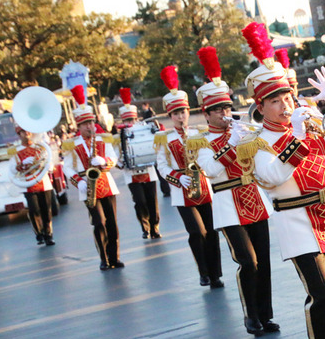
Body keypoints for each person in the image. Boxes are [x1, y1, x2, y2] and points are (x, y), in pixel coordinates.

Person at [239, 22, 325, 339]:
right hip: (297, 223)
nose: (284, 105)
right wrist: (293, 137)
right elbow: (270, 175)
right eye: (275, 101)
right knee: (323, 297)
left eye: (287, 98)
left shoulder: (308, 121)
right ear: (259, 106)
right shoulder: (255, 141)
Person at [190, 46, 277, 335]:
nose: (225, 114)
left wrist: (251, 137)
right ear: (207, 113)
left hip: (254, 198)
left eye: (227, 108)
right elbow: (212, 171)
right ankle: (250, 315)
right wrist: (231, 143)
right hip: (228, 204)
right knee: (248, 261)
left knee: (263, 262)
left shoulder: (244, 131)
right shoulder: (200, 140)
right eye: (218, 110)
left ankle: (265, 315)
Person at [154, 65, 223, 288]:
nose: (181, 116)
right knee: (196, 232)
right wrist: (176, 178)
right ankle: (203, 272)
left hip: (204, 185)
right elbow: (162, 166)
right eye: (176, 113)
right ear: (170, 115)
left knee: (211, 233)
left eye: (183, 112)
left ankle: (215, 274)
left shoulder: (200, 132)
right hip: (182, 190)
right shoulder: (163, 138)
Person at [63, 85, 123, 271]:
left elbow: (114, 158)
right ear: (79, 126)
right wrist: (78, 182)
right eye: (86, 124)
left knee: (112, 223)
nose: (90, 126)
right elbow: (67, 167)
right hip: (87, 186)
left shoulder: (103, 139)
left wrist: (104, 160)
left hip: (106, 183)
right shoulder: (71, 144)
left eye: (91, 122)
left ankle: (115, 257)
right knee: (99, 223)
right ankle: (104, 258)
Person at [116, 88, 161, 239]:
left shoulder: (144, 130)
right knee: (139, 201)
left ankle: (155, 226)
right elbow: (115, 155)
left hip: (148, 170)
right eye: (127, 121)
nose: (130, 123)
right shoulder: (119, 136)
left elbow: (154, 145)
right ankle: (145, 227)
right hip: (132, 173)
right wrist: (121, 162)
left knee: (152, 201)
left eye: (132, 120)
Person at [10, 126, 55, 246]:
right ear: (19, 134)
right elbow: (12, 170)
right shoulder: (16, 151)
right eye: (23, 132)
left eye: (28, 131)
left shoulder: (40, 146)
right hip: (28, 184)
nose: (27, 134)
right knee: (35, 210)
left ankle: (48, 234)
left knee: (47, 210)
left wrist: (48, 166)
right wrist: (21, 164)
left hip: (44, 182)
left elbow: (49, 162)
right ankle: (39, 233)